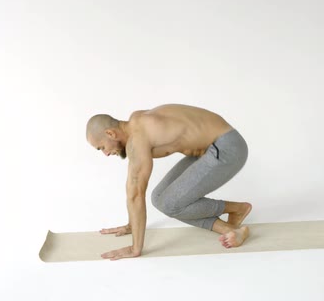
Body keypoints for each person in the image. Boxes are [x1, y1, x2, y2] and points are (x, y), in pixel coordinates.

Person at [86, 104, 252, 260]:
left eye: (101, 148)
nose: (106, 154)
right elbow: (134, 191)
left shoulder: (137, 140)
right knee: (158, 198)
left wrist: (135, 248)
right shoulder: (136, 121)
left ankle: (237, 209)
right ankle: (231, 229)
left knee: (169, 203)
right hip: (210, 148)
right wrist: (131, 225)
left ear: (110, 134)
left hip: (227, 148)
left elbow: (135, 194)